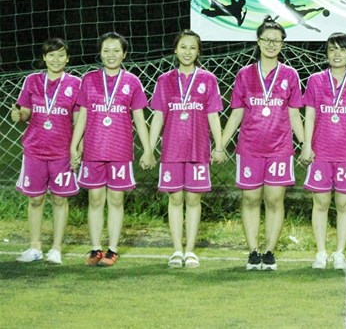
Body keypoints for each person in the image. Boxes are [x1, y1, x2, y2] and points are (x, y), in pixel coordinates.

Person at [220, 17, 305, 271]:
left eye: (276, 41)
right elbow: (236, 113)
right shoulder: (244, 74)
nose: (271, 44)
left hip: (280, 149)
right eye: (267, 40)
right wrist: (220, 144)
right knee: (250, 198)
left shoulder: (290, 75)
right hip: (249, 148)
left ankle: (269, 251)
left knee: (275, 199)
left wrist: (305, 143)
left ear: (282, 44)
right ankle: (253, 251)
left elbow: (294, 114)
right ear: (258, 42)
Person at [70, 32, 155, 267]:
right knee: (95, 199)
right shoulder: (89, 79)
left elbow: (139, 119)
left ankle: (113, 249)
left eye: (116, 50)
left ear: (124, 54)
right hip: (94, 150)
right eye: (106, 50)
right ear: (100, 53)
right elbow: (83, 115)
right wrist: (74, 145)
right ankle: (95, 248)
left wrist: (148, 149)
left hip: (120, 151)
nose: (111, 55)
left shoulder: (132, 82)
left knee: (116, 199)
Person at [149, 30, 224, 268]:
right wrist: (149, 148)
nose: (187, 52)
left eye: (192, 47)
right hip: (171, 150)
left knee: (193, 198)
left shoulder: (208, 79)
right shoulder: (164, 80)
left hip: (198, 149)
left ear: (198, 51)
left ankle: (190, 250)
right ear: (175, 50)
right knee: (175, 198)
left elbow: (213, 115)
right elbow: (158, 116)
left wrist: (219, 145)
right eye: (183, 47)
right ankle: (176, 250)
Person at [300, 32, 346, 269]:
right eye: (332, 49)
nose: (337, 54)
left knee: (344, 204)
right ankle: (321, 252)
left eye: (341, 50)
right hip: (321, 152)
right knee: (320, 202)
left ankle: (339, 252)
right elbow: (309, 116)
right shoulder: (315, 80)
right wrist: (307, 145)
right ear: (327, 53)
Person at [12, 38, 81, 265]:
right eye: (51, 55)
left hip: (62, 152)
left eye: (61, 55)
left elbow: (78, 120)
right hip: (34, 149)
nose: (56, 59)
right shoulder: (32, 81)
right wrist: (18, 115)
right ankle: (35, 247)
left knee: (60, 199)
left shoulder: (75, 84)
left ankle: (56, 249)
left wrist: (77, 148)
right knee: (36, 199)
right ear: (44, 58)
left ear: (67, 58)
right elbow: (25, 113)